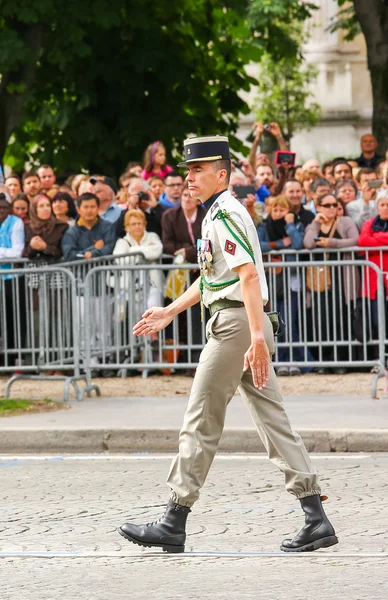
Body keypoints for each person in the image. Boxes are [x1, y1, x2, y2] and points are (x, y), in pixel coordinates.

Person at [119, 134, 338, 554]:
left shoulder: (224, 214)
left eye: (198, 170)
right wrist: (170, 311)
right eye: (187, 170)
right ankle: (316, 518)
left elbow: (248, 276)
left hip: (236, 325)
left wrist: (255, 339)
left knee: (201, 418)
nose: (189, 178)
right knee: (274, 422)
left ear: (222, 173)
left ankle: (173, 519)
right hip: (243, 322)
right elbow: (212, 277)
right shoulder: (218, 212)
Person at [304, 193, 360, 374]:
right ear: (318, 206)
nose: (331, 208)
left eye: (334, 204)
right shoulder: (315, 224)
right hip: (320, 280)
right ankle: (324, 360)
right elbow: (308, 244)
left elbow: (355, 240)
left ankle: (340, 361)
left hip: (341, 279)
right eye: (326, 205)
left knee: (341, 317)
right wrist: (315, 223)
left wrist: (331, 243)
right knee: (321, 318)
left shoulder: (345, 221)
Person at [257, 195, 305, 376]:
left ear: (288, 212)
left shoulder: (296, 225)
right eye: (275, 209)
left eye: (282, 210)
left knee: (289, 321)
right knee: (276, 323)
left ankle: (293, 360)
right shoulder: (263, 226)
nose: (277, 213)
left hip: (290, 281)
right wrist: (280, 244)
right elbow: (259, 246)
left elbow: (299, 244)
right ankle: (281, 361)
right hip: (270, 282)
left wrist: (290, 225)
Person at [162, 183, 207, 367]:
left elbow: (207, 241)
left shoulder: (206, 215)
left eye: (190, 195)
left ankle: (198, 356)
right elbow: (168, 244)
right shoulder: (170, 216)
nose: (187, 199)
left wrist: (189, 253)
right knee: (179, 310)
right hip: (179, 272)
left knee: (199, 314)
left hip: (202, 268)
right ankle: (182, 357)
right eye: (184, 196)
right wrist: (187, 252)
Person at [0, 190, 26, 366]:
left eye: (3, 207)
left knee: (13, 319)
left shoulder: (16, 223)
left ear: (9, 208)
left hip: (12, 279)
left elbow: (17, 252)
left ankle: (14, 358)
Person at [358, 193, 388, 336]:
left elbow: (369, 240)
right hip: (374, 279)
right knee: (377, 320)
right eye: (383, 205)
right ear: (377, 207)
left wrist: (375, 237)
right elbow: (363, 242)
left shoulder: (372, 228)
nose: (386, 208)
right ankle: (381, 355)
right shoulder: (369, 223)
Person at [23, 194, 69, 266]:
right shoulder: (27, 227)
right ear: (34, 209)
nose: (46, 208)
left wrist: (45, 247)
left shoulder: (61, 226)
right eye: (41, 206)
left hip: (56, 269)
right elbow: (24, 253)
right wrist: (31, 247)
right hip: (33, 272)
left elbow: (63, 251)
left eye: (48, 205)